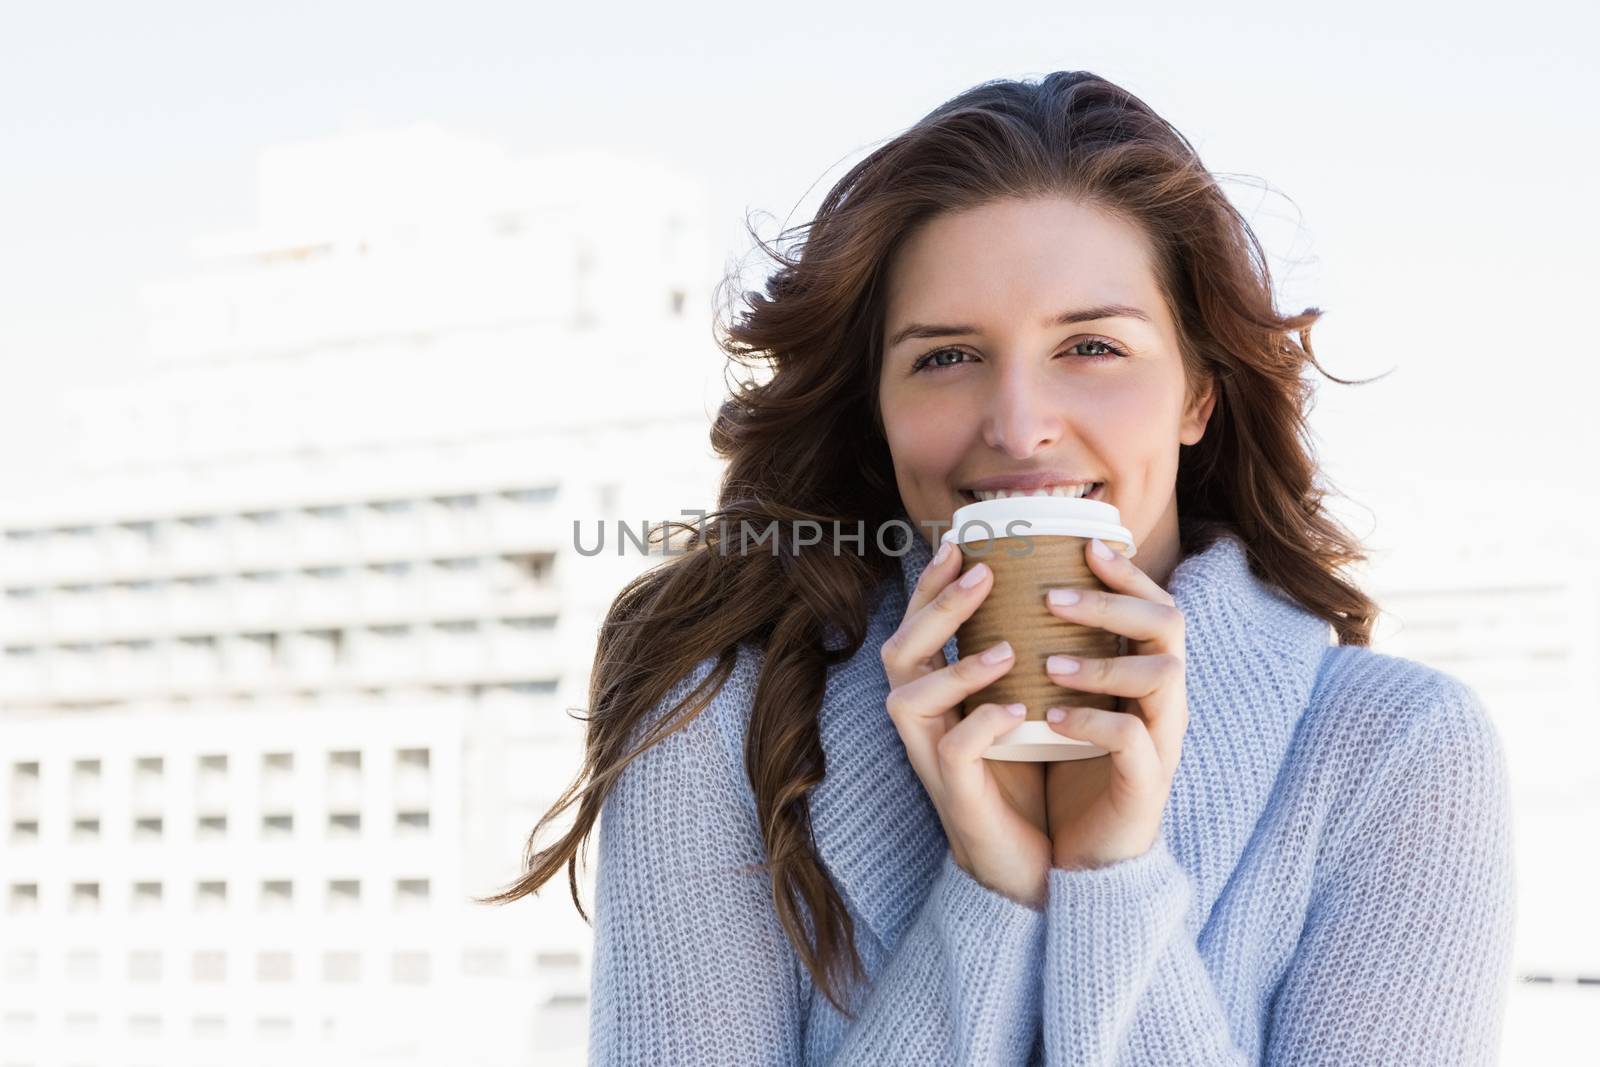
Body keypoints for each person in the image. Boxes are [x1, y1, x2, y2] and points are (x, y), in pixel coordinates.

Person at [477, 71, 1516, 1065]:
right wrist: (989, 890)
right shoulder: (713, 716)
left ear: (1198, 393)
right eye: (944, 356)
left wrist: (1111, 883)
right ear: (873, 410)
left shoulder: (1398, 753)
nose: (1019, 426)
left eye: (1091, 347)